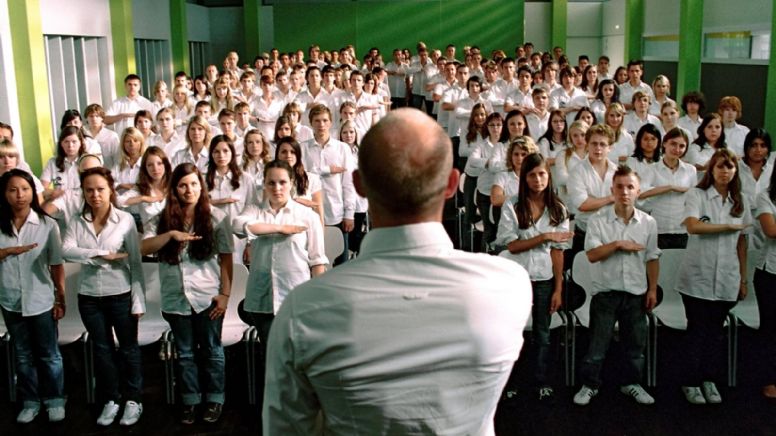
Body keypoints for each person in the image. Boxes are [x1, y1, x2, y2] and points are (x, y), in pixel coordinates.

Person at [262, 108, 531, 435]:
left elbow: (286, 428)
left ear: (359, 185)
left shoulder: (303, 309)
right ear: (451, 185)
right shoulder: (510, 285)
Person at [141, 163, 233, 424]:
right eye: (182, 185)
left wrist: (225, 294)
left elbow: (226, 259)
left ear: (201, 186)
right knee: (185, 354)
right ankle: (190, 400)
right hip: (175, 297)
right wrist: (170, 235)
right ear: (175, 189)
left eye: (194, 184)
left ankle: (215, 399)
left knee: (213, 350)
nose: (188, 189)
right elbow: (142, 248)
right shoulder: (161, 218)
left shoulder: (216, 217)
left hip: (207, 296)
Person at [61, 167, 145, 426]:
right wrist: (100, 255)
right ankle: (112, 398)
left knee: (129, 349)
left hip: (120, 293)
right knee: (102, 350)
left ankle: (133, 399)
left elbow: (136, 261)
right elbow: (66, 250)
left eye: (100, 189)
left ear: (110, 189)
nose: (95, 195)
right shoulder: (76, 221)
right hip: (88, 297)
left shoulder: (125, 220)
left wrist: (138, 299)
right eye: (89, 190)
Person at [573, 165, 660, 406]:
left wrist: (652, 288)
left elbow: (652, 257)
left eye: (630, 187)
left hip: (635, 293)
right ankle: (590, 385)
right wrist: (619, 244)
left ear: (638, 191)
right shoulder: (598, 220)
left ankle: (631, 383)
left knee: (635, 346)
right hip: (606, 292)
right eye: (619, 187)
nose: (624, 192)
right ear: (612, 189)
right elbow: (592, 255)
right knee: (597, 346)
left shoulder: (648, 223)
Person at [676, 148, 751, 405]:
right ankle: (690, 382)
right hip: (697, 277)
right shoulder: (697, 194)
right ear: (711, 169)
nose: (724, 171)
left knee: (715, 333)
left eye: (729, 167)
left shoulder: (739, 200)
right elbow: (693, 226)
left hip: (727, 277)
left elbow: (743, 242)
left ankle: (708, 380)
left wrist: (743, 278)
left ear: (735, 171)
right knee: (696, 331)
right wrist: (728, 226)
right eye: (720, 166)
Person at [496, 153, 571, 401]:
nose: (538, 179)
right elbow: (512, 246)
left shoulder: (558, 208)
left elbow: (558, 254)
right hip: (516, 278)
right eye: (532, 174)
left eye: (542, 174)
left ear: (548, 176)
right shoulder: (512, 204)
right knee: (512, 332)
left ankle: (540, 381)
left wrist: (558, 288)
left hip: (544, 278)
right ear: (524, 178)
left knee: (543, 333)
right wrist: (545, 237)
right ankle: (511, 383)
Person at [232, 159, 327, 349]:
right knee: (271, 355)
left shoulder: (308, 216)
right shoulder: (255, 210)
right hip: (262, 298)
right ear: (264, 185)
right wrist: (280, 228)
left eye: (282, 182)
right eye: (271, 183)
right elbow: (238, 225)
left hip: (295, 296)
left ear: (291, 183)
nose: (277, 188)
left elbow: (317, 261)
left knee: (298, 354)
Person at [0, 169, 66, 423]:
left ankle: (55, 399)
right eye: (13, 190)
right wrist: (6, 252)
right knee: (23, 354)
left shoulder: (47, 225)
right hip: (11, 299)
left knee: (49, 353)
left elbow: (57, 264)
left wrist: (61, 298)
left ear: (32, 192)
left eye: (25, 189)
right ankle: (30, 400)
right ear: (4, 194)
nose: (20, 195)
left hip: (40, 299)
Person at [639, 128, 697, 248]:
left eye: (682, 146)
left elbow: (694, 199)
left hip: (681, 228)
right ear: (664, 143)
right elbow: (640, 194)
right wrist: (670, 187)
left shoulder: (690, 170)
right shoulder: (651, 169)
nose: (677, 149)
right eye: (673, 144)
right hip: (658, 228)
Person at [755, 157, 776, 399]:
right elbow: (771, 230)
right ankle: (769, 380)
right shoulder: (766, 197)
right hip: (771, 272)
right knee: (771, 329)